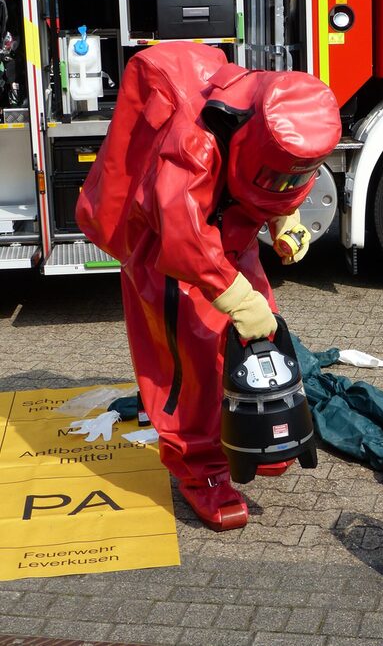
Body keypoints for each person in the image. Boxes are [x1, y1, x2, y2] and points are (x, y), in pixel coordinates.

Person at [76, 42, 342, 531]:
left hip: (225, 234)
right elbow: (183, 238)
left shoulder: (276, 113)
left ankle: (250, 432)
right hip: (164, 248)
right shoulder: (193, 145)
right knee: (189, 356)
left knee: (253, 332)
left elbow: (279, 177)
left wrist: (285, 219)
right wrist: (235, 295)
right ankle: (199, 469)